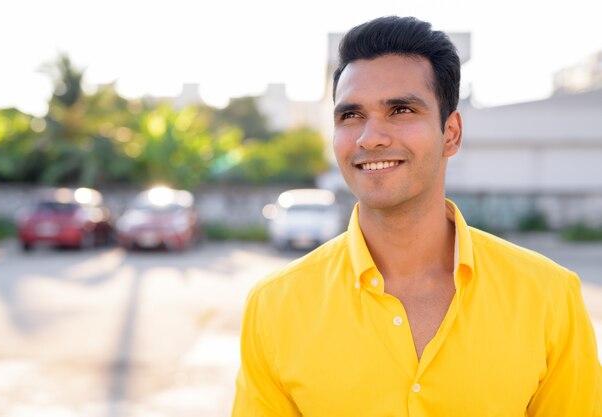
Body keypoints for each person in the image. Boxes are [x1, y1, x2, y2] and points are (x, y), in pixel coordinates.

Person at [232, 15, 602, 416]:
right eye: (350, 115)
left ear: (451, 134)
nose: (369, 137)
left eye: (401, 110)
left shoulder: (548, 295)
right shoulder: (275, 306)